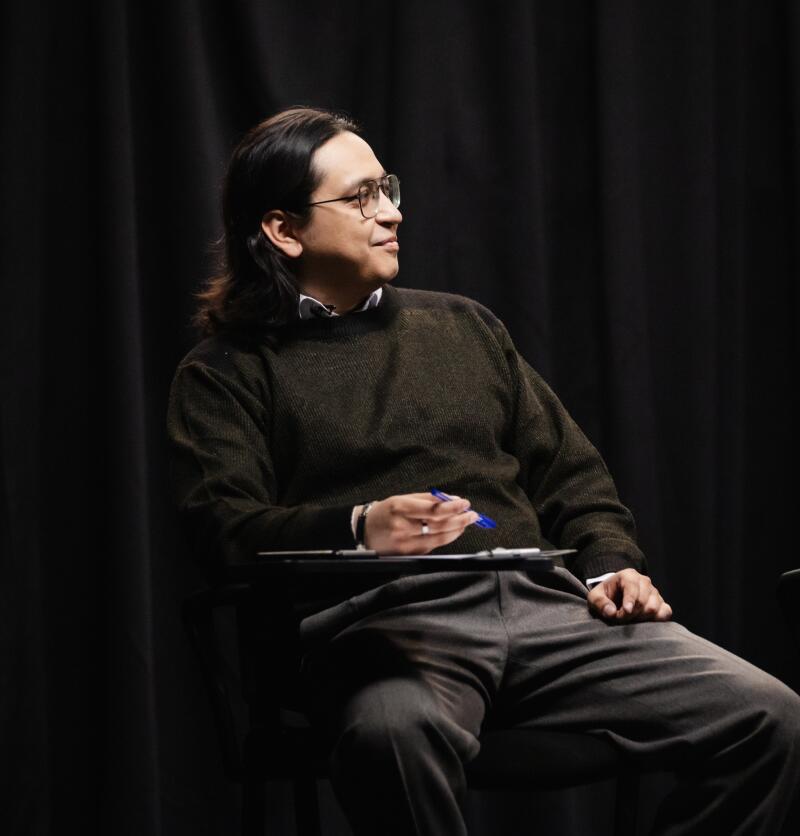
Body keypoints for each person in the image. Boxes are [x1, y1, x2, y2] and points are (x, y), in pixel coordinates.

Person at [167, 106, 800, 835]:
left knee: (767, 716)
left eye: (390, 190)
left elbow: (571, 473)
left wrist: (609, 564)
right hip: (387, 630)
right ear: (284, 230)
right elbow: (224, 529)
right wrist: (359, 527)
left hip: (546, 611)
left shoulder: (463, 326)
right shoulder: (226, 373)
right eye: (361, 198)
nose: (392, 214)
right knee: (390, 739)